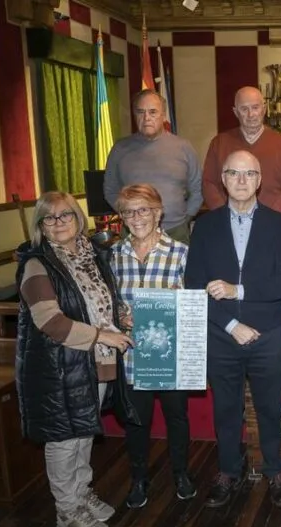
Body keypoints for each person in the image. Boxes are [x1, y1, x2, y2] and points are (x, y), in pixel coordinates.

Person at [16, 192, 138, 527]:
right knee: (64, 440)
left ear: (78, 218)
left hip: (93, 362)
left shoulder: (91, 256)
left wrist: (119, 316)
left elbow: (97, 303)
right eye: (49, 218)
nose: (59, 222)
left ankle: (82, 494)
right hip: (60, 367)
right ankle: (66, 511)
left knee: (84, 432)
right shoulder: (37, 264)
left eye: (66, 214)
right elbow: (52, 322)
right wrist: (104, 334)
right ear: (40, 226)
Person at [185, 150, 281, 509]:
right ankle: (229, 471)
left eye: (249, 173)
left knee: (269, 407)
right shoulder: (204, 226)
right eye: (234, 173)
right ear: (223, 178)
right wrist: (232, 324)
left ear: (260, 179)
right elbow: (194, 286)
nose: (241, 180)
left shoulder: (279, 224)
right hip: (221, 333)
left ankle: (274, 470)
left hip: (268, 334)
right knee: (227, 409)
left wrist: (240, 291)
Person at [110, 184, 194, 509]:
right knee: (136, 421)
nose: (136, 217)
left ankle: (182, 473)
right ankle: (139, 479)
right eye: (128, 211)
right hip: (132, 354)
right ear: (122, 218)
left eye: (143, 209)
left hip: (170, 353)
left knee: (177, 417)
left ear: (158, 213)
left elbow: (192, 304)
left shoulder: (181, 253)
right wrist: (119, 316)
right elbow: (108, 302)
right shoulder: (115, 255)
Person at [104, 89, 203, 244]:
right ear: (134, 115)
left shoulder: (184, 147)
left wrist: (186, 218)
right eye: (140, 112)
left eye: (153, 112)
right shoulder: (119, 149)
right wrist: (131, 215)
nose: (146, 118)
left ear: (163, 115)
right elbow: (110, 190)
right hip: (134, 233)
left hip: (176, 232)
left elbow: (198, 189)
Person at [202, 86, 281, 215]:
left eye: (255, 107)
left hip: (273, 223)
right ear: (235, 112)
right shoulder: (219, 143)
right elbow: (208, 184)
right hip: (228, 222)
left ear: (264, 109)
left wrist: (271, 216)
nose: (250, 114)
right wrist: (224, 214)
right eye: (244, 109)